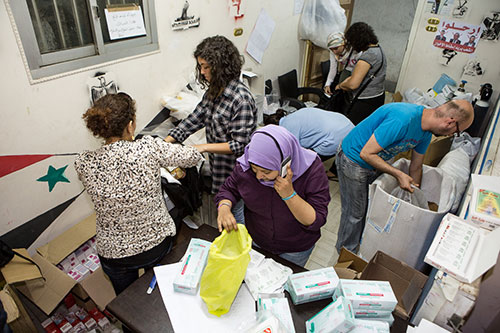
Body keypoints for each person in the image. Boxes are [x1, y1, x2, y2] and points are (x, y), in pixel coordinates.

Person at [75, 93, 203, 294]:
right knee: (159, 297)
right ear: (130, 125)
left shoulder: (83, 162)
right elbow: (192, 157)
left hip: (114, 254)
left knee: (128, 305)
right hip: (155, 244)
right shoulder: (148, 147)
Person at [335, 100, 474, 254]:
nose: (451, 136)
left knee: (367, 208)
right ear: (450, 122)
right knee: (354, 214)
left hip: (373, 161)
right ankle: (345, 255)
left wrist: (416, 199)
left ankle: (356, 245)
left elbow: (416, 167)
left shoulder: (426, 132)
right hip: (353, 159)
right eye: (456, 132)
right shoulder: (403, 119)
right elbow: (366, 153)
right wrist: (398, 174)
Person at [165, 35, 257, 223]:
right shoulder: (213, 91)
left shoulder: (241, 98)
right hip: (219, 169)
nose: (203, 71)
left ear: (222, 66)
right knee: (223, 212)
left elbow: (239, 145)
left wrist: (204, 147)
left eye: (207, 67)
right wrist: (164, 143)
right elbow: (195, 119)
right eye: (200, 66)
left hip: (236, 172)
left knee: (235, 214)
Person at [215, 125, 330, 267]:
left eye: (266, 171)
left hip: (295, 249)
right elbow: (228, 189)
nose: (259, 177)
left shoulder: (311, 170)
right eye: (254, 169)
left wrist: (289, 195)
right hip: (257, 238)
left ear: (285, 163)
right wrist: (224, 208)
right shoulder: (245, 166)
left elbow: (316, 220)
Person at [264, 107, 354, 180]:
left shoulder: (286, 128)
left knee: (306, 161)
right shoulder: (295, 114)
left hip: (335, 138)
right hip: (346, 125)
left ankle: (308, 180)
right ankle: (333, 172)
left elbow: (293, 153)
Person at [335, 22, 387, 125]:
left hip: (365, 101)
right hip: (378, 96)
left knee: (354, 130)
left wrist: (341, 85)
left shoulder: (368, 56)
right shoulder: (379, 50)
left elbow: (353, 84)